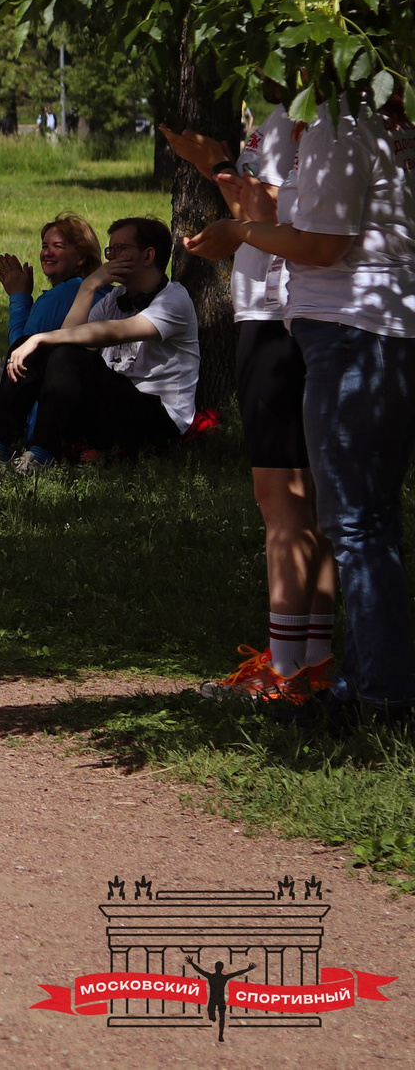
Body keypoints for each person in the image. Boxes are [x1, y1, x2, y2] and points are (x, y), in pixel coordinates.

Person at [185, 94, 414, 725]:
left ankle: (374, 697)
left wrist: (237, 224)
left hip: (352, 331)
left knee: (352, 524)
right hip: (364, 328)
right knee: (365, 522)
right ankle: (355, 684)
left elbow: (321, 243)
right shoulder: (364, 115)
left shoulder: (340, 120)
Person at [166, 114, 331, 701]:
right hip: (279, 314)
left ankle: (286, 675)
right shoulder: (284, 110)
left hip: (279, 316)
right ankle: (312, 661)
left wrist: (219, 170)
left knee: (283, 501)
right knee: (306, 502)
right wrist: (218, 166)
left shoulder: (313, 113)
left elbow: (278, 211)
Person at [0, 217, 201, 462]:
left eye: (119, 249)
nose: (110, 258)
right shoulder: (115, 297)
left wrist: (42, 338)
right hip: (112, 407)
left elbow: (113, 332)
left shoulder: (174, 300)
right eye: (109, 249)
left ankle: (41, 455)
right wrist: (89, 286)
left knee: (57, 351)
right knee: (30, 347)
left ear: (148, 256)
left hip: (158, 417)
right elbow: (67, 341)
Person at [0, 216, 99, 465]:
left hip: (44, 409)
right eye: (44, 246)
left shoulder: (59, 297)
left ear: (81, 257)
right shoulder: (104, 292)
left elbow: (20, 353)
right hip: (81, 405)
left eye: (58, 246)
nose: (47, 253)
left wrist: (19, 296)